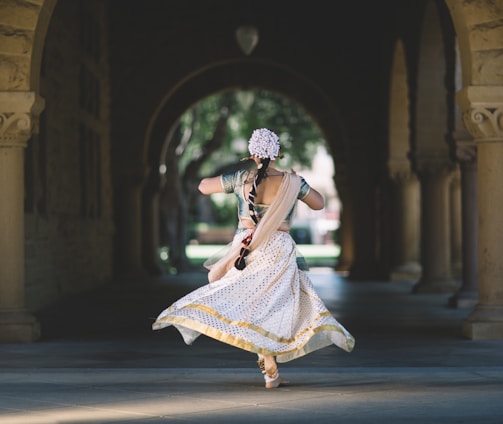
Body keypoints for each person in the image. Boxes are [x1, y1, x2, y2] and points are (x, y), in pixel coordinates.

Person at [152, 128, 355, 389]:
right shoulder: (291, 182)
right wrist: (299, 185)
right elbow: (319, 203)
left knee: (248, 303)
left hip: (245, 249)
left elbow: (203, 187)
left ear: (252, 154)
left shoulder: (242, 179)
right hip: (278, 250)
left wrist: (232, 178)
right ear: (278, 154)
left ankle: (269, 369)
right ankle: (271, 368)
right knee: (274, 305)